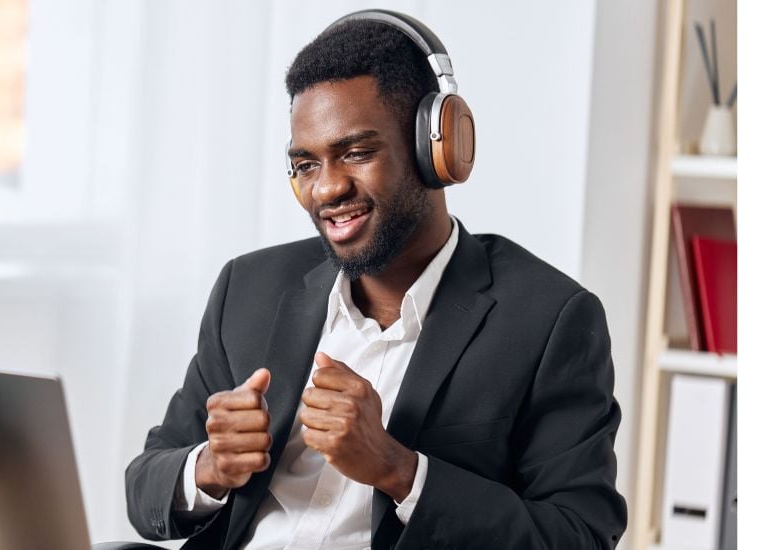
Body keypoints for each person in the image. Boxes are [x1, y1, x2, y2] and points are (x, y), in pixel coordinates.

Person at [120, 9, 627, 550]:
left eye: (356, 153)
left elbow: (580, 536)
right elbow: (144, 489)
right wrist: (209, 468)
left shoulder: (548, 319)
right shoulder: (249, 288)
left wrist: (398, 469)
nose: (327, 189)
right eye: (306, 165)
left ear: (437, 150)